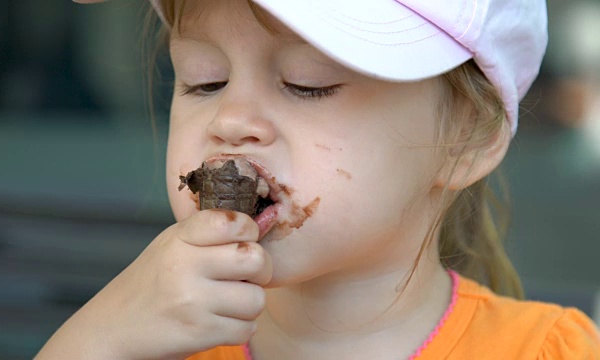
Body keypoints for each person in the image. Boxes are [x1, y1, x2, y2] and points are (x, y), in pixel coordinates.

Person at [37, 0, 600, 359]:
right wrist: (94, 343)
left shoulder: (549, 351)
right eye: (205, 81)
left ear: (465, 139)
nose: (231, 120)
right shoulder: (150, 344)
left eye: (307, 84)